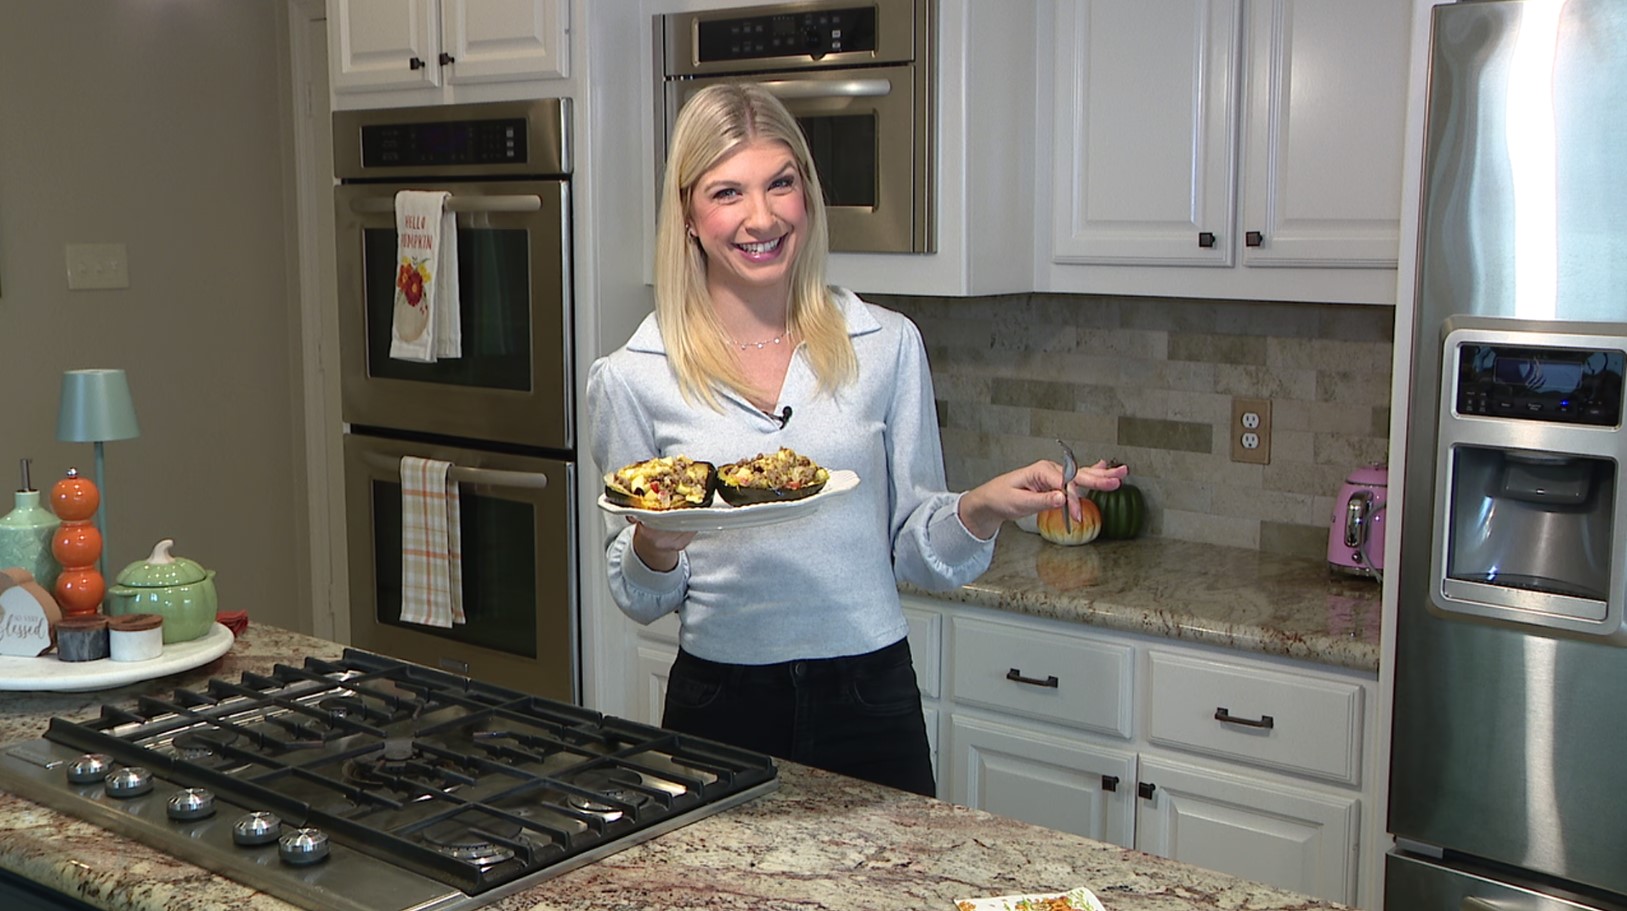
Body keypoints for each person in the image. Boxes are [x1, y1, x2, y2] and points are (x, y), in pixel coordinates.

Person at [587, 83, 1126, 797]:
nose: (761, 216)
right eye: (727, 192)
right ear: (687, 214)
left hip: (872, 691)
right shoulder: (636, 374)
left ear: (806, 194)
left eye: (781, 183)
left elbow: (915, 549)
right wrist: (657, 542)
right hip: (720, 698)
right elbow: (638, 592)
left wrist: (982, 506)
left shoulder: (885, 345)